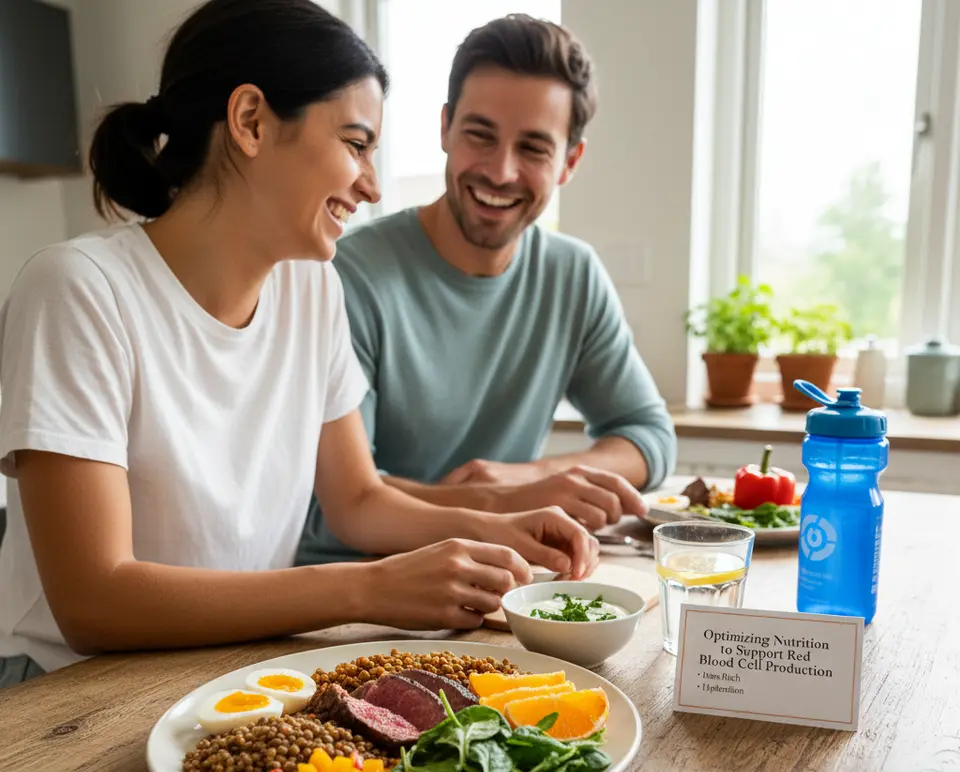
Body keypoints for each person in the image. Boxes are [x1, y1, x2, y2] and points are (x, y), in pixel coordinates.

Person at [0, 0, 598, 685]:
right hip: (61, 694)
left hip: (222, 673)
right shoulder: (79, 290)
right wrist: (369, 588)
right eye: (355, 144)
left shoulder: (311, 291)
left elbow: (358, 501)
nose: (372, 185)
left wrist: (498, 527)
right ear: (251, 121)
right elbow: (93, 602)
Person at [298, 14, 676, 566]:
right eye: (480, 135)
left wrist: (534, 477)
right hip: (353, 588)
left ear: (569, 162)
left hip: (501, 581)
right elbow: (341, 502)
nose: (501, 172)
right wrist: (506, 502)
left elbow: (649, 435)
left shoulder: (572, 274)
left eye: (534, 148)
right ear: (445, 129)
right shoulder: (346, 276)